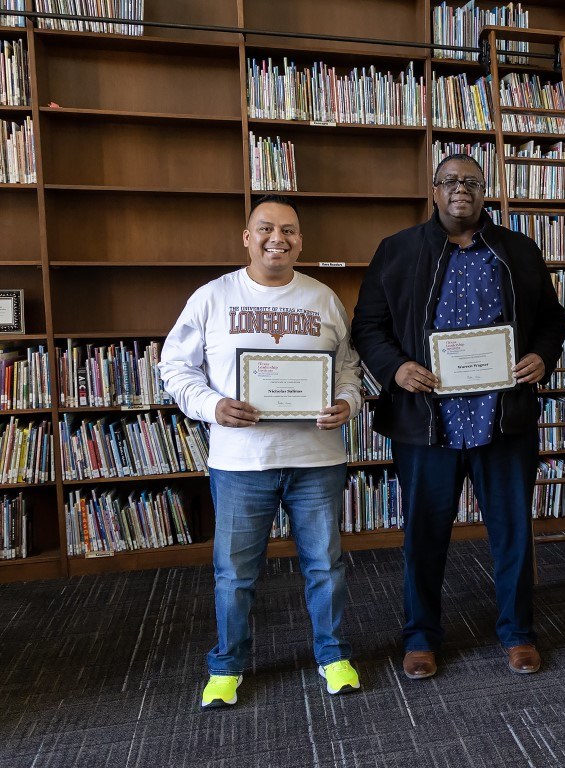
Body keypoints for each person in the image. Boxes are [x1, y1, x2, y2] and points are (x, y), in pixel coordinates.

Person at [351, 154, 565, 679]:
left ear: (484, 189)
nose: (460, 190)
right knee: (424, 534)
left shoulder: (518, 250)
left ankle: (518, 633)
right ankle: (420, 637)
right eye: (450, 181)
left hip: (503, 418)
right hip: (427, 423)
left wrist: (542, 355)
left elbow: (553, 321)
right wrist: (396, 369)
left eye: (470, 182)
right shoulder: (398, 251)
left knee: (513, 532)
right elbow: (367, 327)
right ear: (434, 190)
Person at [159, 195, 363, 708]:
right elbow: (175, 368)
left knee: (325, 567)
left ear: (300, 240)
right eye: (266, 229)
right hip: (240, 463)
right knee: (234, 575)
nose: (279, 238)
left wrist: (346, 403)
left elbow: (348, 370)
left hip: (316, 459)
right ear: (246, 238)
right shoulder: (212, 297)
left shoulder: (323, 298)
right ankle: (227, 666)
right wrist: (212, 405)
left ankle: (332, 654)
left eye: (290, 230)